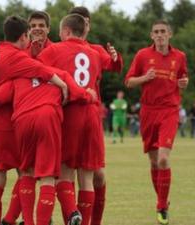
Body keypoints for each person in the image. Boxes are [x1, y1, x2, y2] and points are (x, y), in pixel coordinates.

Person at [0, 15, 74, 225]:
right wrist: (64, 85)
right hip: (3, 123)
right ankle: (27, 220)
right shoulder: (16, 57)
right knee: (28, 172)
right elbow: (42, 71)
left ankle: (9, 219)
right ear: (23, 37)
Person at [38, 13, 103, 225]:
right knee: (86, 178)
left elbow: (37, 71)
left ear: (66, 31)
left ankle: (72, 213)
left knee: (64, 173)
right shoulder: (93, 54)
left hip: (71, 112)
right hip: (92, 113)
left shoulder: (54, 49)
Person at [125, 20, 189, 225]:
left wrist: (184, 83)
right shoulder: (143, 55)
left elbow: (182, 79)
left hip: (169, 111)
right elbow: (128, 82)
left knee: (162, 159)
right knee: (153, 162)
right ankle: (162, 201)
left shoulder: (179, 56)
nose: (160, 35)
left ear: (170, 34)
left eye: (163, 31)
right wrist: (144, 77)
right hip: (148, 112)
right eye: (156, 32)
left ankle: (161, 206)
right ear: (151, 35)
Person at [68, 6, 123, 225]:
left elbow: (114, 67)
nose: (84, 24)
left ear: (88, 24)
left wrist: (116, 58)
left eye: (86, 21)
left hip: (91, 116)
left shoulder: (96, 49)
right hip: (68, 116)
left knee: (97, 175)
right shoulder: (63, 47)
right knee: (69, 174)